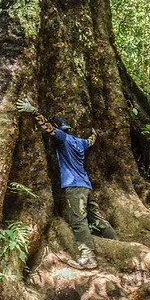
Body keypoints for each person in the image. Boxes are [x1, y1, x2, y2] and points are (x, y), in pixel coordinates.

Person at [15, 98, 117, 269]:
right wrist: (95, 133)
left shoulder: (63, 138)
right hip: (86, 185)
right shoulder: (80, 142)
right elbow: (91, 140)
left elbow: (47, 128)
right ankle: (116, 243)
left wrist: (33, 111)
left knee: (78, 221)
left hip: (74, 188)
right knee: (96, 217)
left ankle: (88, 257)